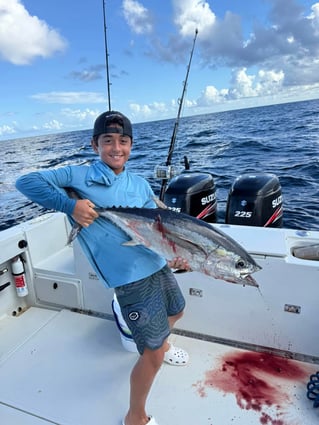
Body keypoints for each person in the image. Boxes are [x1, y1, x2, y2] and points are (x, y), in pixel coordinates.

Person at [16, 111, 190, 425]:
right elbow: (25, 181)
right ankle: (135, 416)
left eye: (123, 141)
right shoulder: (79, 176)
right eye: (107, 140)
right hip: (130, 278)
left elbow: (157, 226)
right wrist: (71, 206)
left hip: (155, 262)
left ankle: (163, 342)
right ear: (94, 144)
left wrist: (174, 252)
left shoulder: (137, 182)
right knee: (150, 355)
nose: (116, 147)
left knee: (177, 310)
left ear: (132, 145)